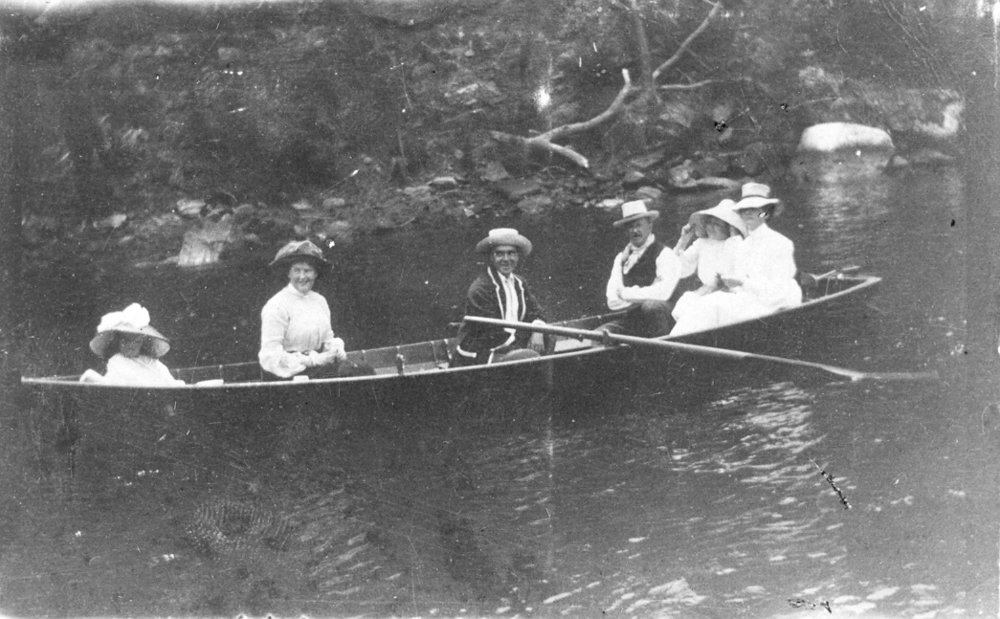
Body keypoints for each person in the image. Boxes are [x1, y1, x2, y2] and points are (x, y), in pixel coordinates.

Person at [678, 182, 802, 329]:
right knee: (703, 303)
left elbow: (778, 288)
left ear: (766, 213)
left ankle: (679, 344)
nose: (748, 213)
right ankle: (676, 342)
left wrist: (742, 283)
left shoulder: (780, 243)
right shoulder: (744, 245)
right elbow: (739, 284)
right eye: (744, 210)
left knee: (712, 306)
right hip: (750, 298)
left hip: (776, 302)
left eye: (754, 209)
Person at [258, 239, 373, 379]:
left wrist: (335, 350)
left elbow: (327, 340)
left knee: (364, 370)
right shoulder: (277, 305)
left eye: (307, 271)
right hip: (292, 374)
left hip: (319, 369)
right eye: (296, 270)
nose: (302, 277)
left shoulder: (319, 301)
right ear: (288, 274)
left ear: (315, 274)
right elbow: (270, 356)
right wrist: (312, 360)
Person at [453, 228, 550, 366]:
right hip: (481, 351)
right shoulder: (480, 289)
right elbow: (490, 333)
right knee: (524, 357)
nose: (506, 259)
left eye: (511, 253)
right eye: (499, 254)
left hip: (511, 344)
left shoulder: (520, 283)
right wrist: (522, 345)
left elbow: (536, 312)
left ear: (517, 256)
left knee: (547, 337)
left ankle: (543, 382)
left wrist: (538, 331)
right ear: (491, 257)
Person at [603, 200, 682, 337]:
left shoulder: (665, 254)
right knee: (599, 336)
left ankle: (662, 352)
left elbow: (663, 294)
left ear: (649, 226)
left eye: (639, 225)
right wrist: (647, 292)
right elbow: (612, 301)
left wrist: (626, 294)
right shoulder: (621, 258)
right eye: (630, 227)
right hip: (633, 320)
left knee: (651, 307)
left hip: (664, 321)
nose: (635, 231)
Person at [668, 199, 747, 335]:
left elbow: (730, 273)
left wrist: (734, 238)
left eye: (716, 224)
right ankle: (677, 342)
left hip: (731, 295)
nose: (710, 227)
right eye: (709, 222)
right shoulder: (702, 243)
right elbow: (679, 270)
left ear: (729, 227)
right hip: (704, 294)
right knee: (687, 302)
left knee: (708, 306)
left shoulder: (737, 245)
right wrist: (683, 241)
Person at [80, 302, 184, 385]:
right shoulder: (117, 361)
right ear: (118, 342)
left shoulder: (152, 362)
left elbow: (169, 383)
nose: (131, 346)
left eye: (137, 342)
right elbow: (114, 385)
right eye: (125, 341)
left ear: (142, 343)